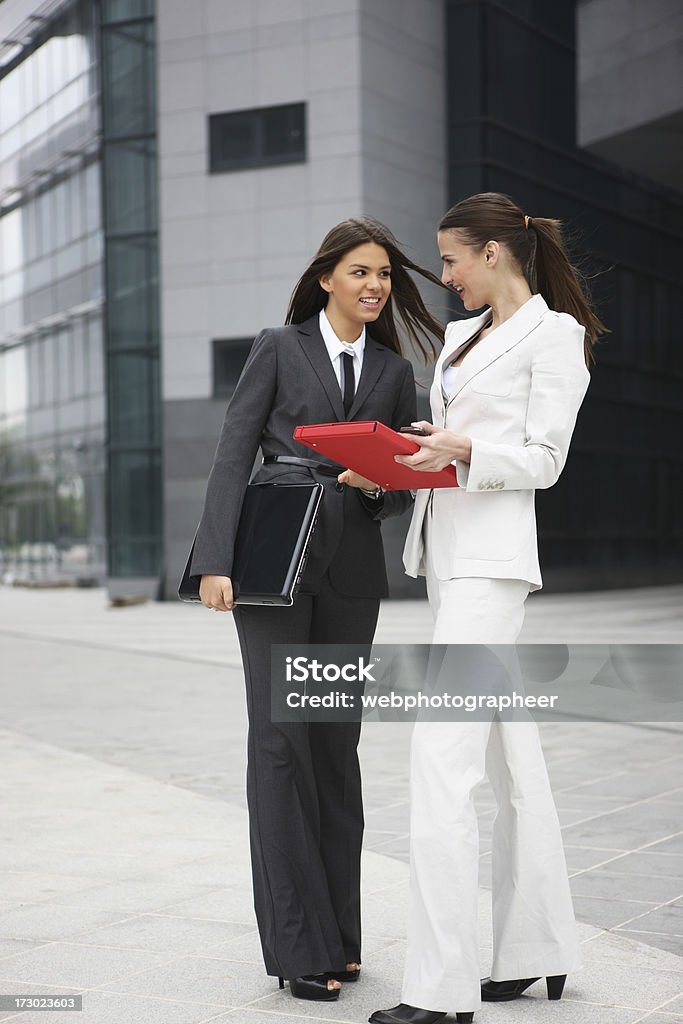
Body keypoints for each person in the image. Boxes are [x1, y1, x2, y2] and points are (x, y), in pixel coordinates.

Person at [190, 218, 445, 1003]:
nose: (375, 286)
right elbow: (234, 450)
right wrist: (213, 560)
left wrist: (385, 485)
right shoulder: (278, 345)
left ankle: (339, 935)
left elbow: (403, 485)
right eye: (360, 272)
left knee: (335, 747)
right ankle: (298, 946)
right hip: (269, 563)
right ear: (327, 276)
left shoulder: (396, 372)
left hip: (349, 574)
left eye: (384, 276)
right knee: (278, 743)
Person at [370, 193, 607, 1024]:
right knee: (511, 765)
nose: (444, 276)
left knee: (440, 762)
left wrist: (464, 448)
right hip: (446, 556)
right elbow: (453, 441)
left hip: (493, 570)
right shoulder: (465, 339)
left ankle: (438, 992)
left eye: (451, 260)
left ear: (495, 255)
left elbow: (543, 458)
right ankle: (533, 950)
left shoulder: (557, 338)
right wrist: (404, 457)